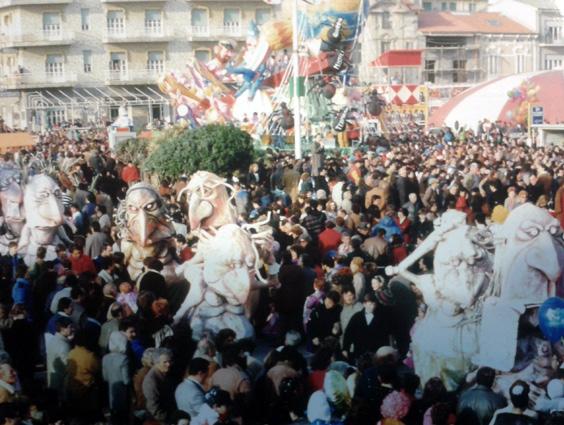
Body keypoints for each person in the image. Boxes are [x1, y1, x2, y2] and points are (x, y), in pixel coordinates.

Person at [342, 292, 389, 362]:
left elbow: (384, 336)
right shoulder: (357, 317)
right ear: (364, 304)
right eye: (370, 304)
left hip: (375, 354)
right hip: (359, 352)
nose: (372, 307)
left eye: (374, 304)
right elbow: (348, 333)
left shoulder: (380, 318)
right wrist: (345, 349)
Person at [102, 331, 131, 423]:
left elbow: (105, 377)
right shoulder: (124, 358)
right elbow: (126, 380)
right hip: (123, 393)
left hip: (111, 392)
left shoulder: (105, 358)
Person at [142, 347, 176, 422]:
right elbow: (153, 408)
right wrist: (169, 419)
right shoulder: (151, 381)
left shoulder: (165, 373)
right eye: (165, 362)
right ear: (156, 362)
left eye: (170, 361)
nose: (168, 364)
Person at [46, 316, 73, 401]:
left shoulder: (53, 340)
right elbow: (68, 366)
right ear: (62, 328)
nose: (72, 329)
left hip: (52, 380)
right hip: (61, 383)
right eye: (70, 327)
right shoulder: (64, 345)